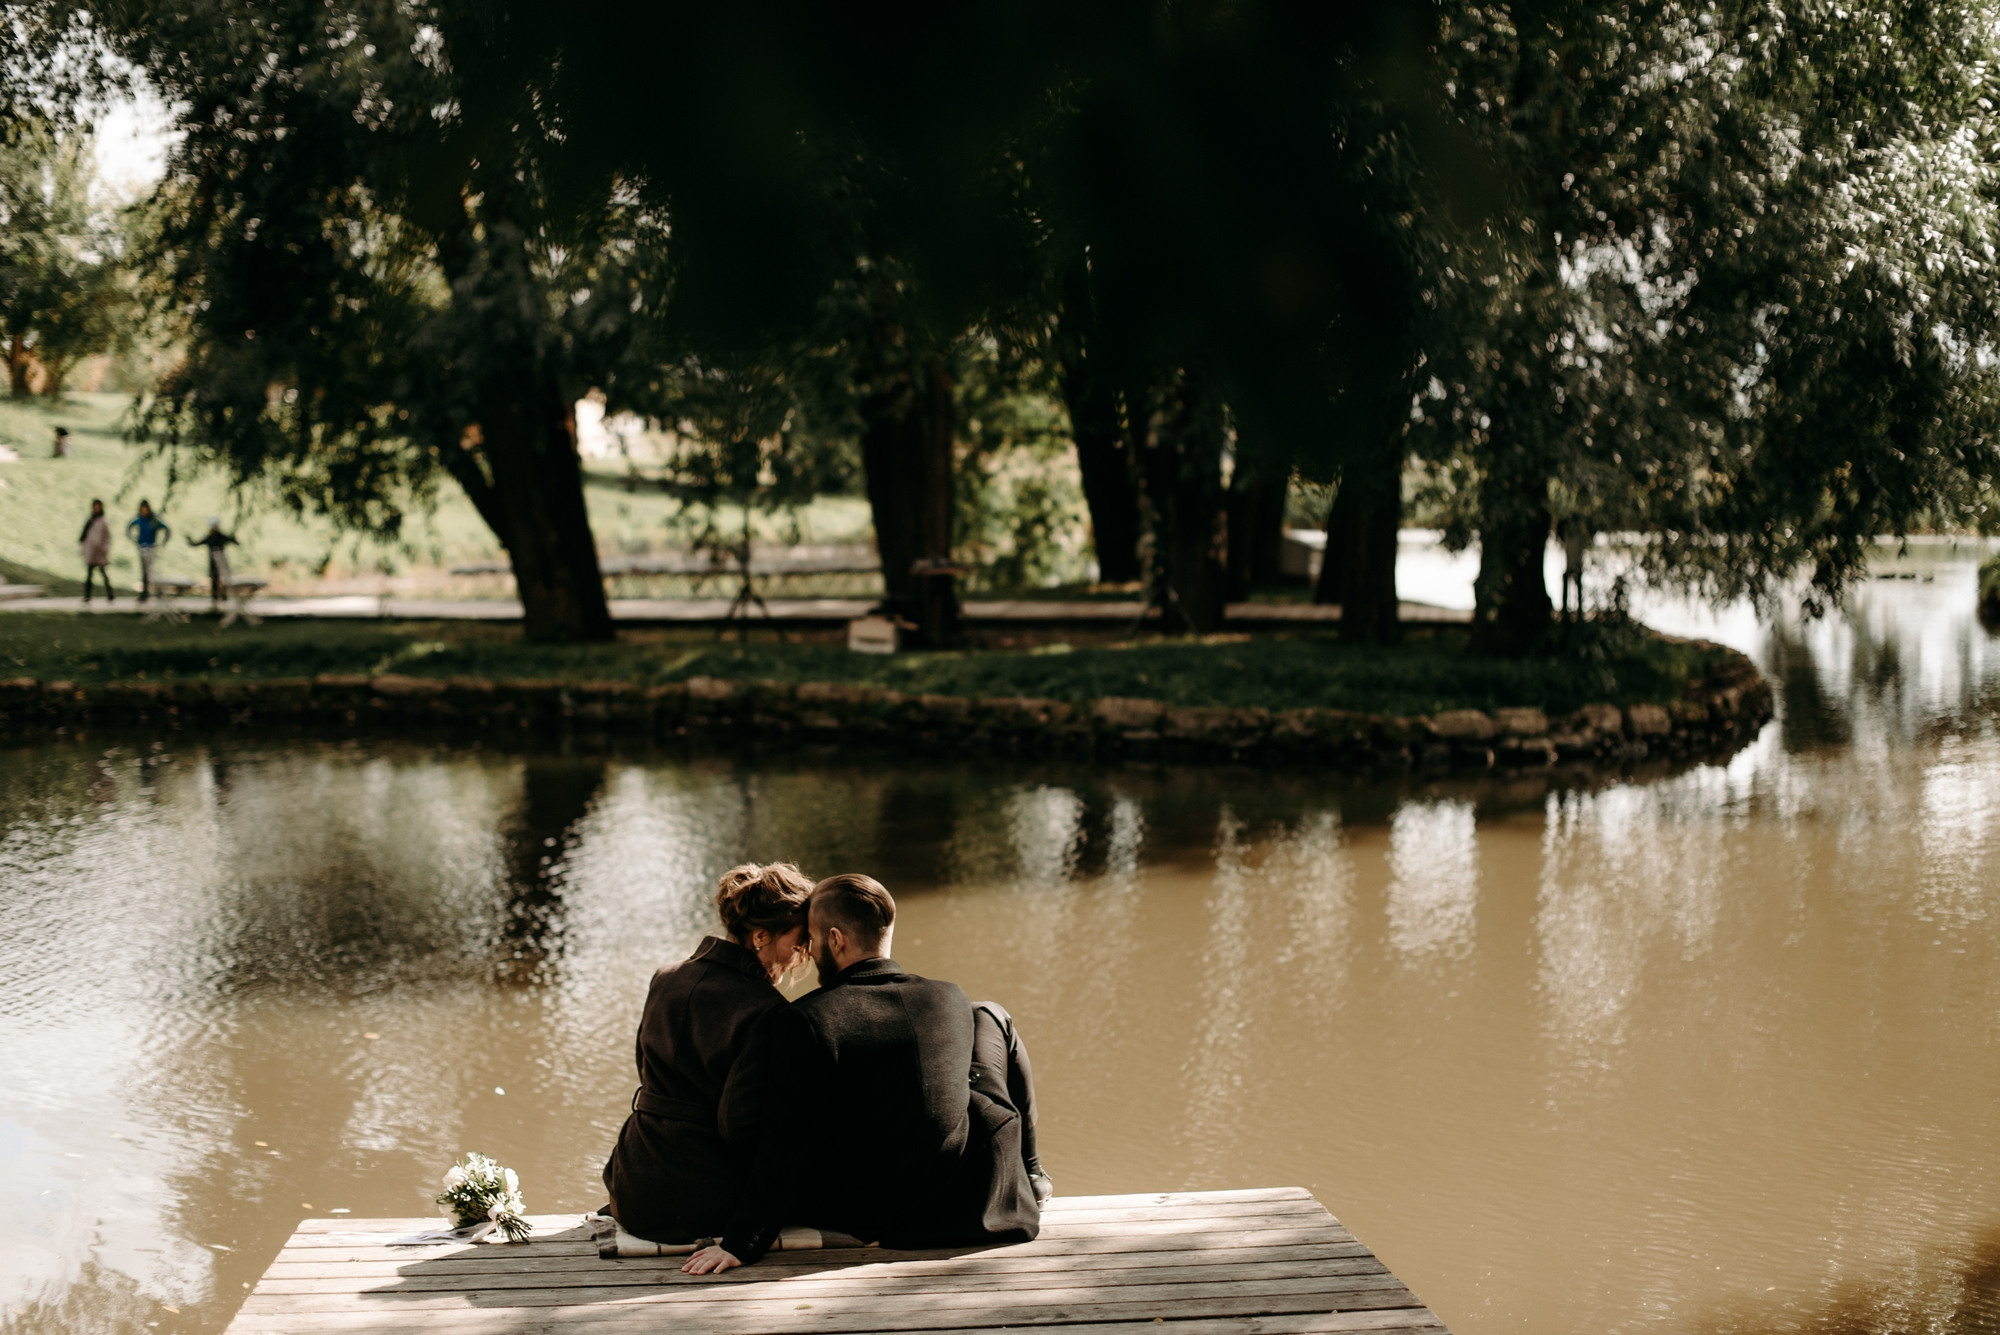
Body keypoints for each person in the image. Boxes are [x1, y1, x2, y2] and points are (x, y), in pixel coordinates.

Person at [688, 873, 1049, 1274]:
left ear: (836, 939)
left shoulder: (804, 1020)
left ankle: (1032, 1173)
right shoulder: (949, 997)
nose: (809, 951)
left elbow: (787, 1142)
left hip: (871, 1210)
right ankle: (1032, 1174)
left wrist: (743, 1241)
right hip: (965, 1195)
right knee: (989, 1015)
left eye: (812, 939)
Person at [600, 863, 814, 1244]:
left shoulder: (665, 977)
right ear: (760, 936)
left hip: (631, 1186)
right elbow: (739, 1125)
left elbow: (645, 1071)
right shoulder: (767, 1010)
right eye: (797, 943)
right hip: (700, 1202)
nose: (800, 956)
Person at [189, 518, 239, 608]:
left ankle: (224, 597)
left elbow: (235, 542)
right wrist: (189, 540)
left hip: (222, 563)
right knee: (214, 579)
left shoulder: (221, 537)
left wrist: (233, 538)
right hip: (213, 563)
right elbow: (195, 544)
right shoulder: (210, 537)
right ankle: (215, 597)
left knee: (223, 579)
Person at [126, 502, 170, 602]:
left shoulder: (153, 520)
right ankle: (145, 593)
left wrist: (163, 542)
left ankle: (159, 592)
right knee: (145, 572)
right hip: (142, 547)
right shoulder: (139, 519)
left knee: (152, 571)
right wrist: (134, 539)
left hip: (151, 548)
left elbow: (166, 528)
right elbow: (129, 527)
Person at [78, 499, 113, 603]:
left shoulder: (103, 521)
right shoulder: (90, 520)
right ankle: (87, 595)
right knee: (89, 574)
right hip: (91, 551)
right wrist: (84, 549)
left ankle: (110, 594)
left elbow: (108, 536)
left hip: (100, 552)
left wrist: (105, 547)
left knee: (103, 573)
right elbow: (84, 536)